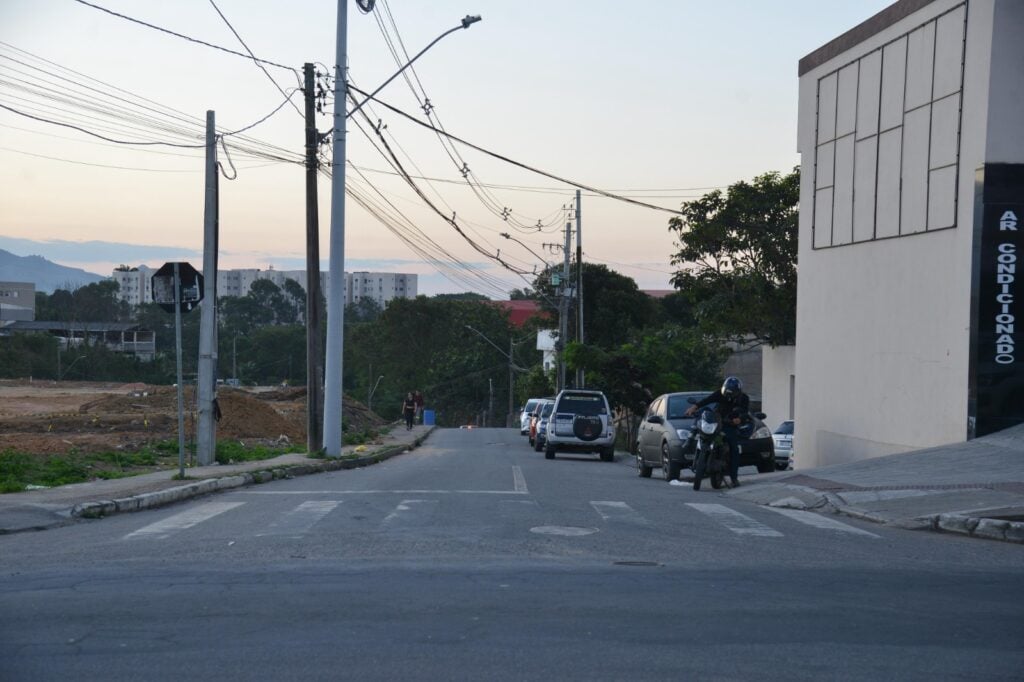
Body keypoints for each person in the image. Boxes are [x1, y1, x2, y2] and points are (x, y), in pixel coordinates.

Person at [685, 376, 750, 489]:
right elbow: (707, 400)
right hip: (717, 421)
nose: (728, 395)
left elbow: (745, 412)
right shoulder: (719, 393)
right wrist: (694, 407)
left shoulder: (744, 398)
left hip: (730, 424)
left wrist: (739, 419)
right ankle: (697, 452)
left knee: (734, 448)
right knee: (704, 432)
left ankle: (734, 478)